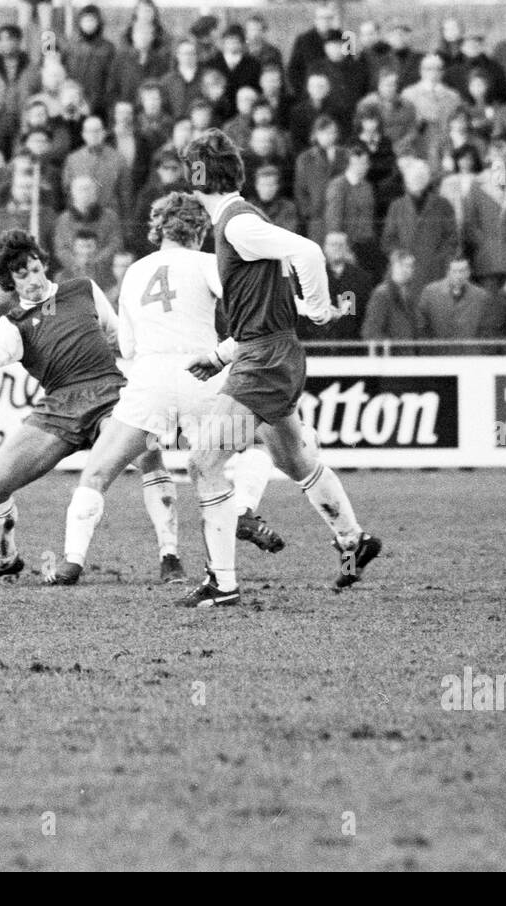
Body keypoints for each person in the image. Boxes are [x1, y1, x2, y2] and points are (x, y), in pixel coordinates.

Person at [175, 129, 381, 607]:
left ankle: (221, 583)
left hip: (265, 361)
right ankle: (354, 542)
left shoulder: (235, 223)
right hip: (265, 354)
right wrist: (222, 355)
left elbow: (308, 252)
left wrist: (318, 306)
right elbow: (260, 308)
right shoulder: (238, 222)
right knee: (294, 461)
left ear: (199, 176)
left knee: (202, 461)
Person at [45, 192, 286, 586]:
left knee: (97, 472)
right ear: (199, 230)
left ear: (158, 229)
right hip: (202, 374)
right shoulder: (209, 262)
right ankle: (242, 509)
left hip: (150, 379)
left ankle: (72, 560)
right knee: (256, 446)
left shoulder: (135, 271)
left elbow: (126, 346)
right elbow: (245, 306)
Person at [0, 229, 127, 582]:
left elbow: (118, 335)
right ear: (9, 283)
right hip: (60, 407)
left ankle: (171, 557)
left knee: (149, 456)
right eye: (22, 275)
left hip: (110, 392)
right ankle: (4, 559)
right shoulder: (13, 323)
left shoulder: (82, 289)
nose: (33, 280)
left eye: (35, 269)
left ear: (44, 264)